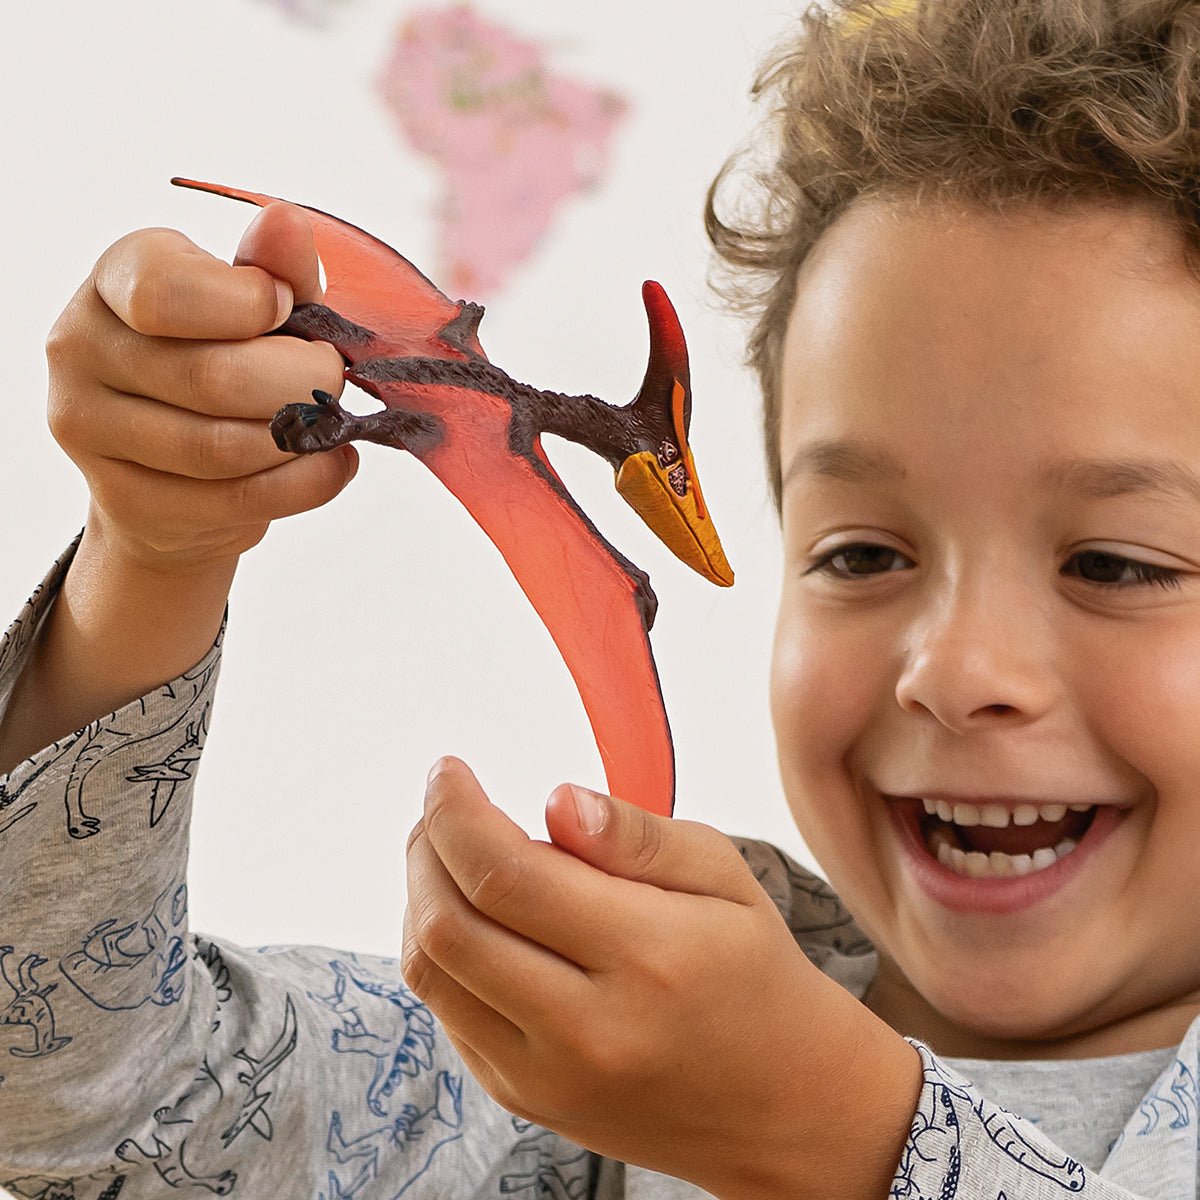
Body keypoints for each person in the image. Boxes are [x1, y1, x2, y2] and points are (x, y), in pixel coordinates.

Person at [0, 0, 1194, 1194]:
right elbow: (93, 1105)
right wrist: (152, 555)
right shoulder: (590, 1083)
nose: (954, 671)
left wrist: (824, 1134)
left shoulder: (689, 1081)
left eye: (1117, 565)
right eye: (864, 555)